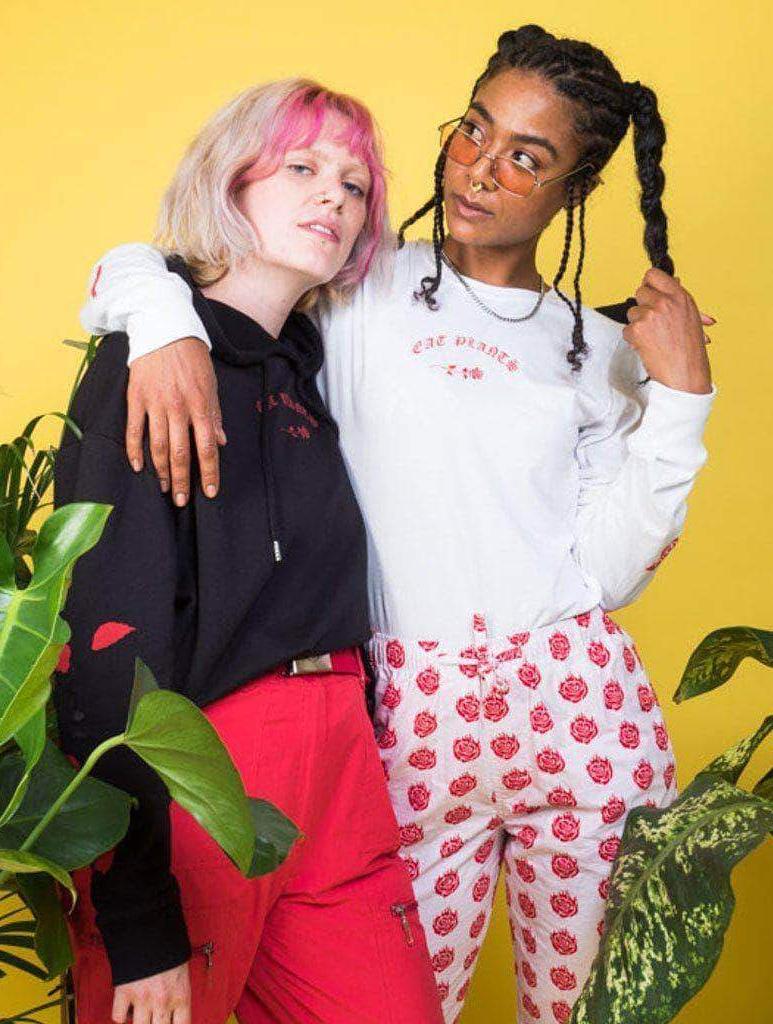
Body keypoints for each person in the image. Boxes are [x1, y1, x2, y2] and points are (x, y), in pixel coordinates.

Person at [78, 26, 716, 1024]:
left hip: (573, 698)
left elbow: (608, 572)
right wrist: (159, 318)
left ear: (573, 189)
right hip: (408, 710)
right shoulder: (354, 281)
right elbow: (167, 258)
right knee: (400, 989)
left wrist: (679, 403)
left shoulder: (598, 349)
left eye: (526, 157)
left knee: (588, 1009)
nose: (479, 169)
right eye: (473, 130)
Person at [54, 78, 443, 1024]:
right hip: (203, 760)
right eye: (301, 167)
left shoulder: (317, 366)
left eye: (355, 185)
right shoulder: (152, 361)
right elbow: (105, 641)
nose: (333, 197)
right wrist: (138, 920)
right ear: (228, 181)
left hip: (342, 758)